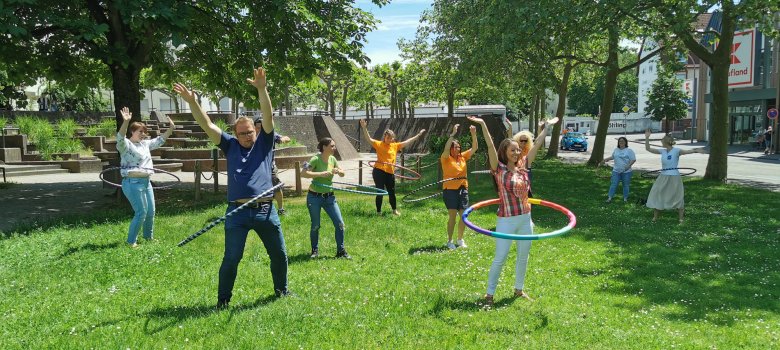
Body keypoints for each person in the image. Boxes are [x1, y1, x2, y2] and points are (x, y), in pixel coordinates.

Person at [173, 67, 290, 309]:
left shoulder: (265, 143)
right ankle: (223, 301)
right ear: (235, 135)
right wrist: (192, 102)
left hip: (265, 210)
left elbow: (267, 115)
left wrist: (261, 89)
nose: (248, 136)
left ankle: (282, 291)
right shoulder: (230, 146)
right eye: (243, 133)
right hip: (236, 213)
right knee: (231, 258)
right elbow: (206, 124)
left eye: (250, 132)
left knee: (278, 254)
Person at [469, 115, 558, 306]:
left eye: (518, 150)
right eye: (513, 150)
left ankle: (519, 290)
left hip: (525, 218)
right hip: (507, 220)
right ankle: (489, 295)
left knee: (523, 257)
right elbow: (491, 146)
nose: (517, 152)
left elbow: (536, 145)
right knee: (500, 258)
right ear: (505, 151)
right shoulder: (498, 169)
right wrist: (484, 125)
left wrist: (546, 127)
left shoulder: (524, 166)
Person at [116, 107, 174, 248]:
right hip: (132, 182)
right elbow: (120, 137)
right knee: (141, 212)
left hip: (146, 182)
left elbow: (160, 140)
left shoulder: (145, 144)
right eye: (140, 131)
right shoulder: (125, 145)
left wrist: (171, 128)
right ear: (132, 132)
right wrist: (126, 122)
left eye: (144, 132)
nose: (143, 134)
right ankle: (131, 242)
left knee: (150, 212)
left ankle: (148, 238)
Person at [359, 119, 426, 216]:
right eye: (387, 138)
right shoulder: (379, 144)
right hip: (379, 171)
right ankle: (378, 212)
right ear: (384, 137)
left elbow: (408, 141)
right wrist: (364, 127)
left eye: (391, 138)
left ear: (393, 138)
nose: (389, 140)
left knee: (392, 192)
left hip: (390, 172)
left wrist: (418, 135)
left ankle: (394, 210)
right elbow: (368, 138)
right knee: (380, 191)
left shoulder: (395, 146)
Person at [301, 137, 351, 259]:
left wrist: (338, 171)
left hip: (329, 197)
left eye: (334, 146)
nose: (334, 148)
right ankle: (314, 250)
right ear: (324, 147)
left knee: (340, 223)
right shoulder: (315, 159)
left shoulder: (333, 159)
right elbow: (303, 173)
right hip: (314, 197)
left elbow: (343, 173)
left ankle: (341, 251)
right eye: (332, 146)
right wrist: (320, 174)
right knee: (316, 225)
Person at [644, 129, 706, 223]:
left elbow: (687, 151)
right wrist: (647, 138)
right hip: (663, 176)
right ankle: (655, 217)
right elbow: (648, 149)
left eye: (662, 141)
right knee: (659, 193)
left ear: (666, 142)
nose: (661, 143)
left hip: (674, 177)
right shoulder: (662, 151)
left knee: (677, 195)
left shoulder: (677, 151)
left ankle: (681, 218)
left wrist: (696, 150)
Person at [440, 124, 478, 249]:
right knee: (452, 216)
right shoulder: (445, 158)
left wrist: (473, 134)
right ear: (451, 149)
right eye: (456, 147)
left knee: (463, 215)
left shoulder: (462, 157)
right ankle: (450, 241)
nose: (458, 148)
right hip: (450, 189)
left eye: (459, 147)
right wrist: (452, 134)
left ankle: (460, 239)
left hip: (463, 188)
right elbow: (445, 149)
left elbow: (474, 148)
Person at [600, 136, 636, 203]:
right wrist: (605, 159)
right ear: (618, 142)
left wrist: (628, 166)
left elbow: (633, 159)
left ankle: (625, 199)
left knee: (625, 185)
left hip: (626, 172)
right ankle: (609, 198)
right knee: (614, 184)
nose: (621, 142)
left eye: (622, 141)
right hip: (616, 171)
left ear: (625, 142)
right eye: (620, 141)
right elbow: (612, 157)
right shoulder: (616, 150)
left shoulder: (629, 151)